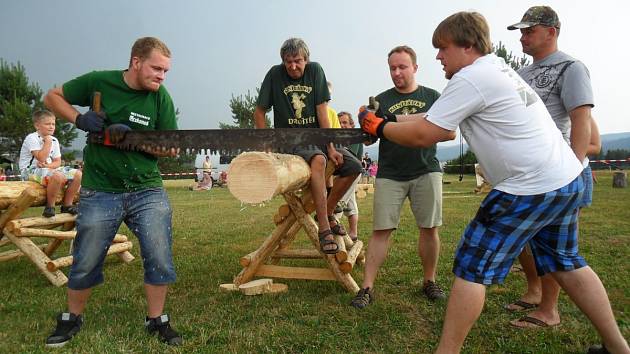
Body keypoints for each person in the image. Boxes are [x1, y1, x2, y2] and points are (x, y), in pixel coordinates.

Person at [359, 11, 629, 353]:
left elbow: (429, 132)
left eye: (442, 48)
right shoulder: (495, 68)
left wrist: (379, 128)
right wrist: (390, 117)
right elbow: (434, 114)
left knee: (470, 269)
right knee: (567, 262)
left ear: (467, 45)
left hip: (529, 186)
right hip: (565, 178)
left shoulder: (470, 78)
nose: (438, 56)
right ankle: (618, 348)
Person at [42, 37, 182, 347]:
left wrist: (134, 139)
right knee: (87, 255)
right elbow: (51, 98)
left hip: (146, 189)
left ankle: (157, 319)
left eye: (165, 71)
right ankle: (72, 318)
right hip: (100, 190)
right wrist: (79, 118)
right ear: (136, 62)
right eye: (156, 68)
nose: (162, 76)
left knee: (159, 253)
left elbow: (171, 148)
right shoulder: (98, 81)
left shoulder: (161, 99)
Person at [504, 5, 599, 330]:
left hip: (560, 172)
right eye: (521, 31)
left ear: (551, 31)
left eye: (529, 30)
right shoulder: (522, 73)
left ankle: (549, 309)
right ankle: (533, 291)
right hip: (529, 172)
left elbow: (581, 122)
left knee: (553, 245)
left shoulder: (572, 68)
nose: (522, 37)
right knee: (524, 239)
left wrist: (570, 172)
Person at [351, 46, 444, 309]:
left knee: (429, 228)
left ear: (415, 67)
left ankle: (429, 281)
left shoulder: (432, 96)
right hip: (391, 172)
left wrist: (393, 120)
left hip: (426, 168)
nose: (397, 72)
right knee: (381, 230)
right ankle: (366, 287)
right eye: (392, 67)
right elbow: (370, 138)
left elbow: (447, 131)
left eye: (402, 67)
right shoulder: (380, 100)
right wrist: (365, 122)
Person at [253, 38, 362, 255]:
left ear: (306, 59)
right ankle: (323, 228)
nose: (293, 66)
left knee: (353, 165)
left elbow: (322, 112)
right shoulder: (275, 74)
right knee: (319, 160)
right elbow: (259, 111)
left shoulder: (315, 71)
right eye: (288, 62)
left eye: (297, 61)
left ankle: (328, 210)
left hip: (316, 137)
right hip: (291, 141)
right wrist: (266, 142)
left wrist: (330, 146)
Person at [18, 110, 82, 217]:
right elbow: (41, 157)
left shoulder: (54, 140)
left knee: (78, 175)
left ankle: (67, 204)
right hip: (29, 170)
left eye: (53, 124)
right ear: (37, 126)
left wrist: (48, 166)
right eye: (47, 124)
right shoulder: (32, 138)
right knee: (57, 176)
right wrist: (47, 142)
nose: (51, 127)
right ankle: (49, 206)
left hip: (45, 169)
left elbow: (57, 162)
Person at [337, 111, 362, 241]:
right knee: (351, 203)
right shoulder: (338, 138)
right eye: (339, 123)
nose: (342, 125)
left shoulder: (354, 136)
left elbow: (350, 157)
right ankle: (353, 234)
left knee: (339, 202)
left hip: (352, 172)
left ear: (351, 124)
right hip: (344, 173)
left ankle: (334, 223)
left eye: (345, 122)